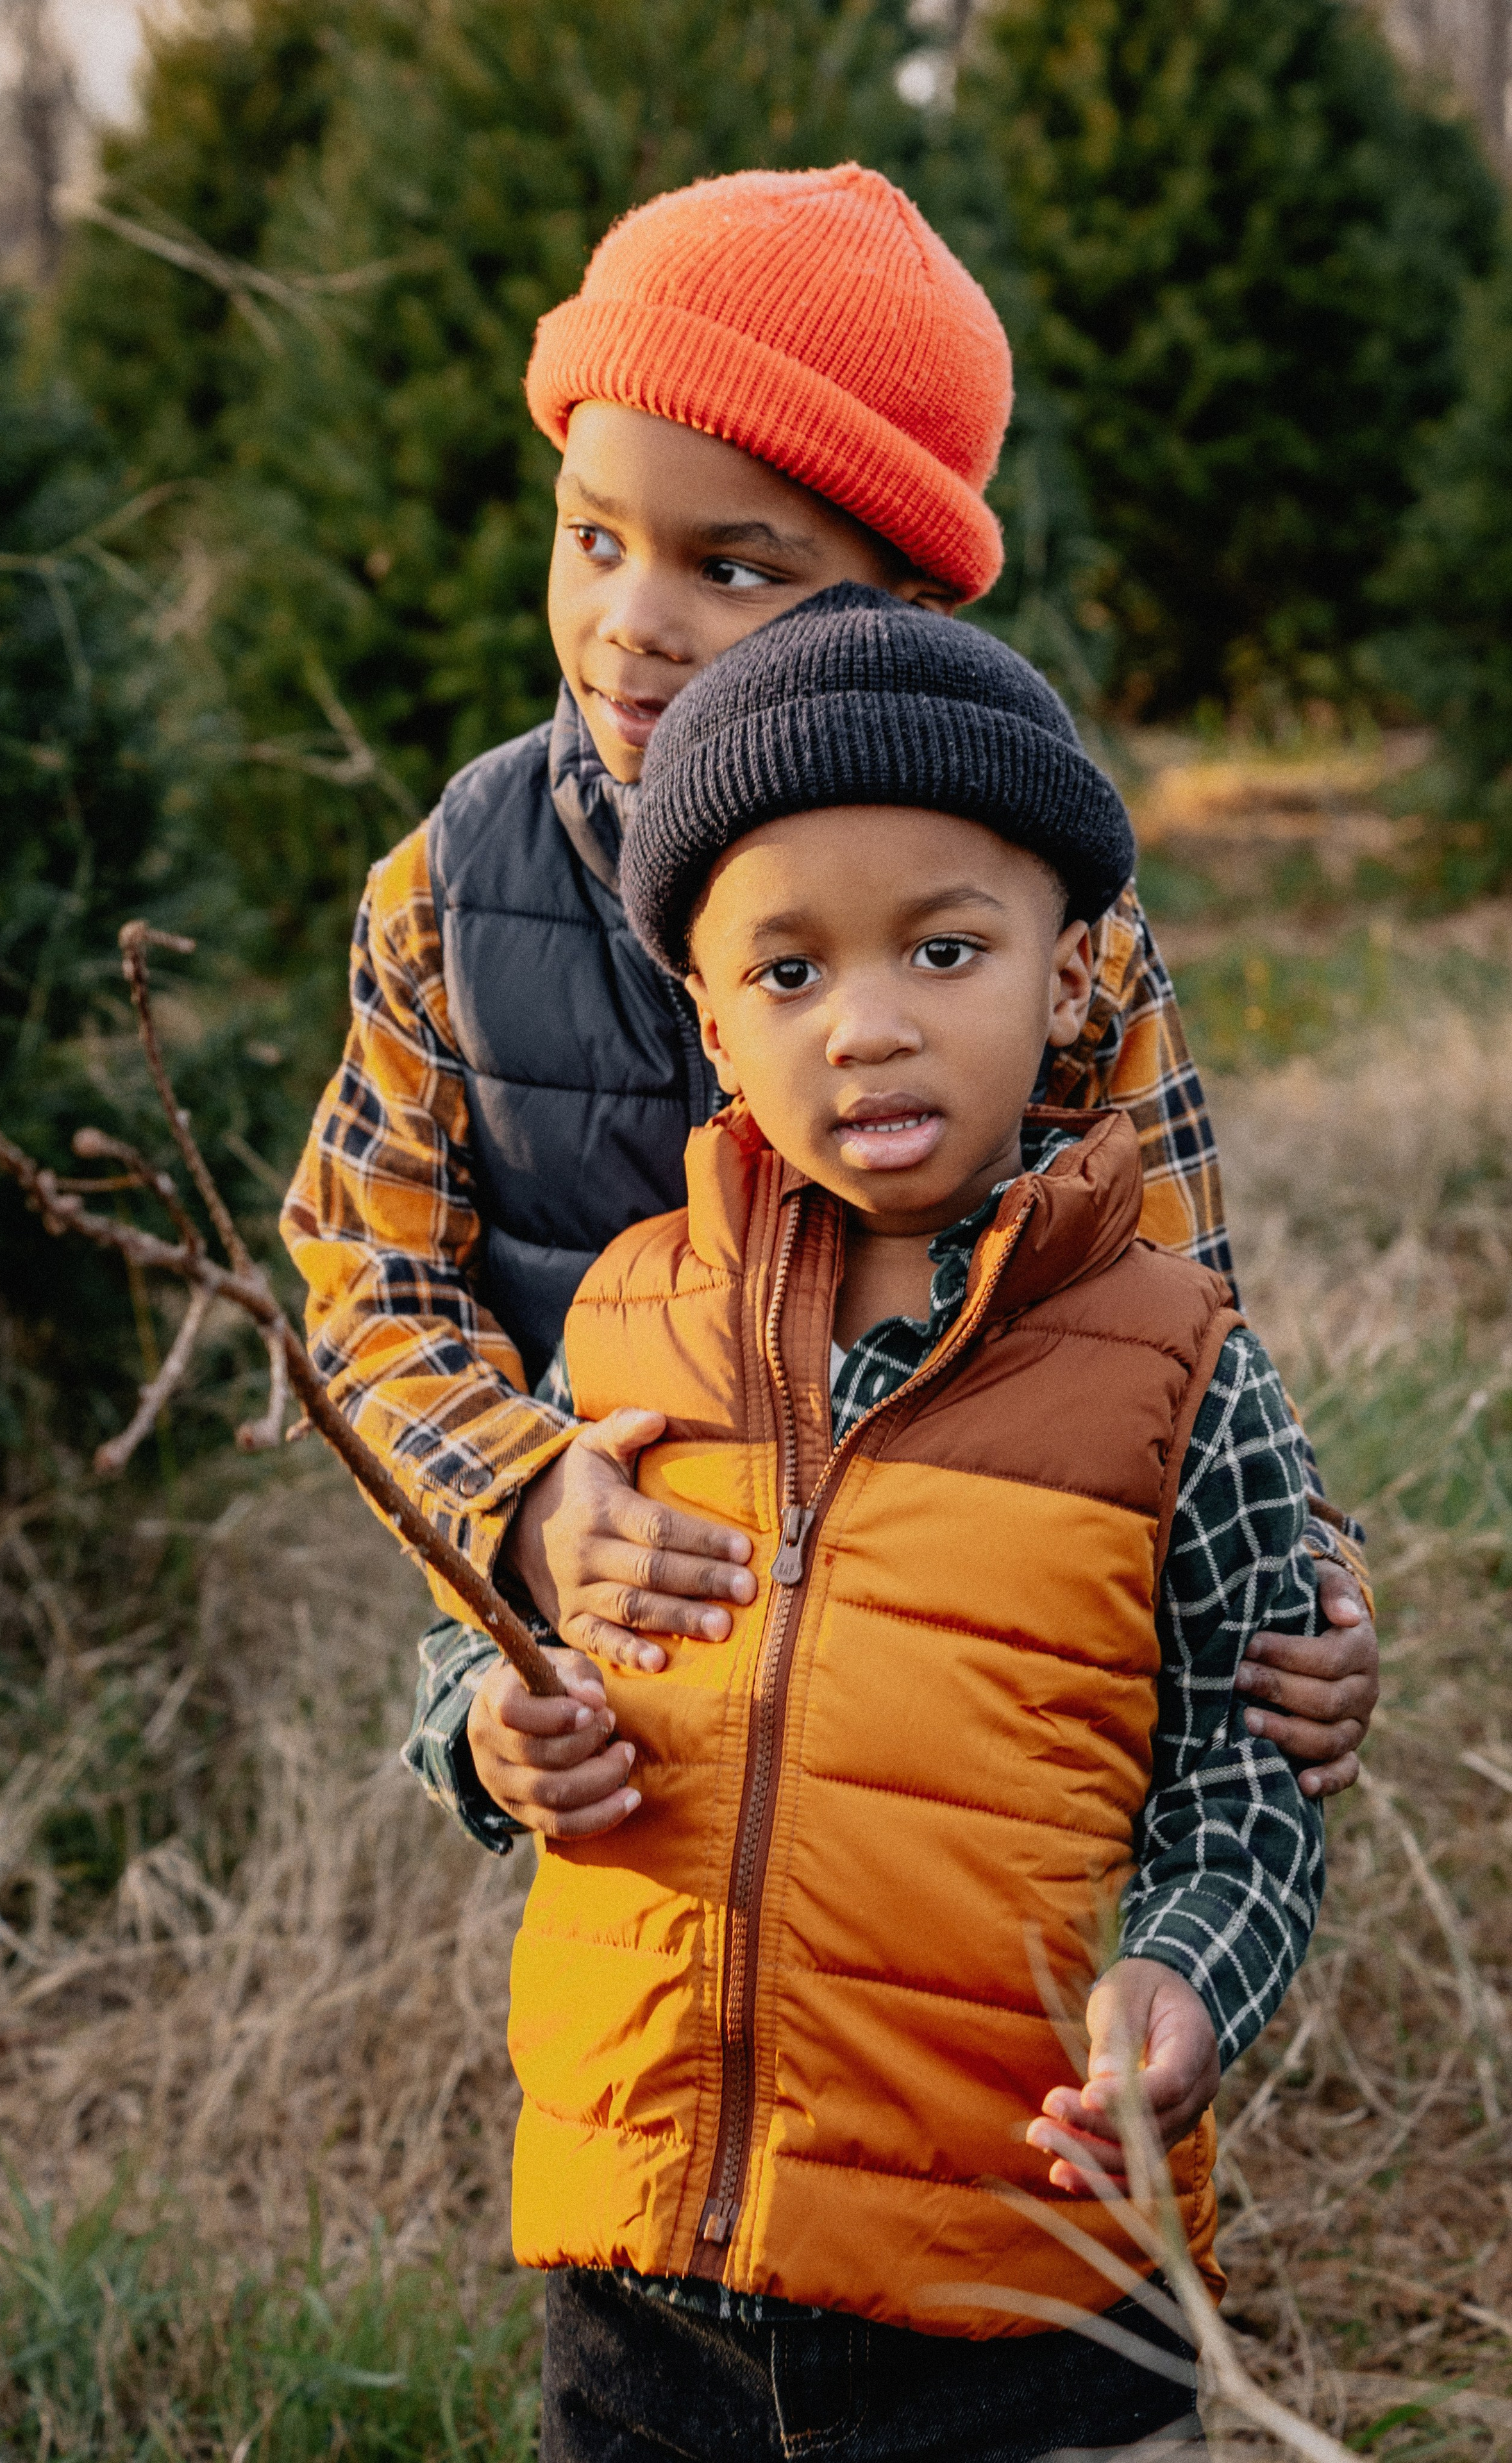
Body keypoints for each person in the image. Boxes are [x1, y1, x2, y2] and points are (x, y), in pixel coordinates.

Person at [281, 164, 1375, 1845]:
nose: (630, 623)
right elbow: (366, 1284)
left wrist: (1296, 1560)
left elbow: (1176, 1288)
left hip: (967, 1631)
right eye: (593, 536)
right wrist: (523, 1500)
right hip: (630, 1627)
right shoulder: (453, 887)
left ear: (902, 605)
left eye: (730, 569)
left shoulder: (1022, 901)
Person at [466, 584, 1326, 2459]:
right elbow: (484, 1636)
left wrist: (1187, 1972)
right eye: (791, 973)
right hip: (642, 2292)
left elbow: (1250, 1773)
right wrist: (493, 1726)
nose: (867, 1028)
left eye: (944, 952)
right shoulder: (621, 1319)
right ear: (708, 1012)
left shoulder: (1173, 1366)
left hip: (1023, 2292)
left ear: (1074, 973)